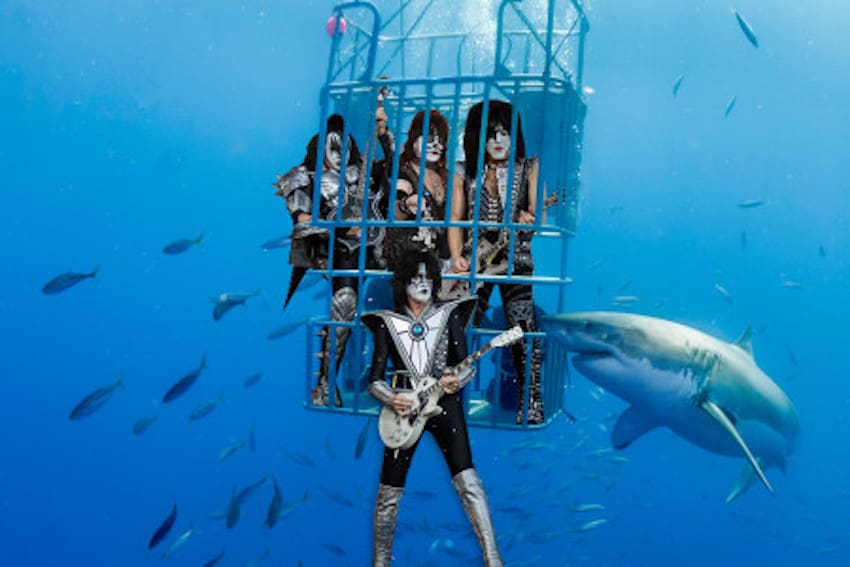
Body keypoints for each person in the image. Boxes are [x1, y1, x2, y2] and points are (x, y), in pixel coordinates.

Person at [361, 250, 502, 567]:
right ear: (402, 283)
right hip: (404, 409)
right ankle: (380, 561)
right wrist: (391, 398)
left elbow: (465, 364)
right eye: (416, 277)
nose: (423, 283)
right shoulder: (386, 323)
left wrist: (457, 379)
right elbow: (374, 380)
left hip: (445, 405)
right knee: (388, 489)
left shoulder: (450, 314)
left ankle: (493, 558)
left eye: (428, 277)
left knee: (469, 480)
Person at [275, 110, 394, 406]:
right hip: (338, 252)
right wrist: (343, 227)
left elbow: (396, 172)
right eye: (333, 146)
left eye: (346, 146)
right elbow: (303, 222)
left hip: (379, 250)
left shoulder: (364, 169)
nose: (341, 153)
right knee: (344, 305)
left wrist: (384, 136)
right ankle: (326, 382)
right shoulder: (304, 176)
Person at [448, 99, 544, 424]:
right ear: (478, 138)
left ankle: (531, 400)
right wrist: (458, 255)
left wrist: (531, 218)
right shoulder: (464, 170)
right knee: (459, 326)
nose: (499, 140)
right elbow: (455, 218)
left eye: (504, 133)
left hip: (516, 260)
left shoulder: (528, 166)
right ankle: (447, 396)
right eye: (491, 135)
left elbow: (537, 214)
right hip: (477, 262)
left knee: (522, 329)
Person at [384, 109, 451, 271]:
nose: (436, 144)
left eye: (440, 139)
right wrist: (406, 205)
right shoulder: (403, 170)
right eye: (429, 138)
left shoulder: (446, 176)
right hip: (409, 262)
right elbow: (394, 211)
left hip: (442, 263)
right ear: (414, 139)